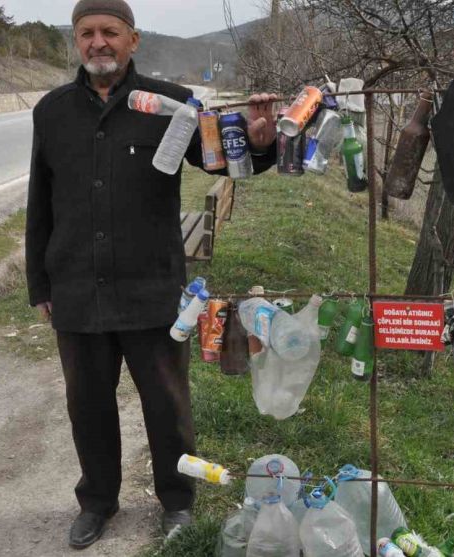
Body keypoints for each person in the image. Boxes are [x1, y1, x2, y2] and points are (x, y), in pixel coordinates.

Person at [25, 0, 277, 549]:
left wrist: (259, 145)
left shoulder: (173, 103)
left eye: (109, 32)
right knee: (86, 406)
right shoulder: (52, 111)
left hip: (152, 288)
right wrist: (39, 285)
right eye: (86, 33)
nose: (98, 43)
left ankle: (178, 501)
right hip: (76, 288)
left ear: (132, 40)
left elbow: (218, 160)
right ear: (76, 41)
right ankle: (98, 501)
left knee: (167, 404)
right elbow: (39, 203)